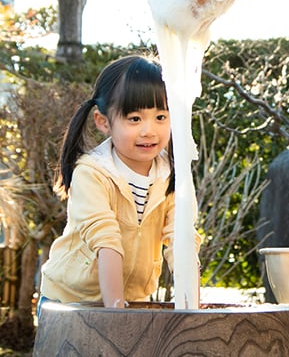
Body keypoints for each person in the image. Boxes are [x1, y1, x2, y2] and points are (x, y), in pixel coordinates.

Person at [39, 54, 201, 312]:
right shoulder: (92, 172)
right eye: (135, 119)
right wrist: (116, 312)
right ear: (104, 122)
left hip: (134, 301)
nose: (149, 130)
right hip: (70, 302)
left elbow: (181, 238)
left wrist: (192, 306)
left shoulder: (172, 174)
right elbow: (107, 241)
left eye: (161, 117)